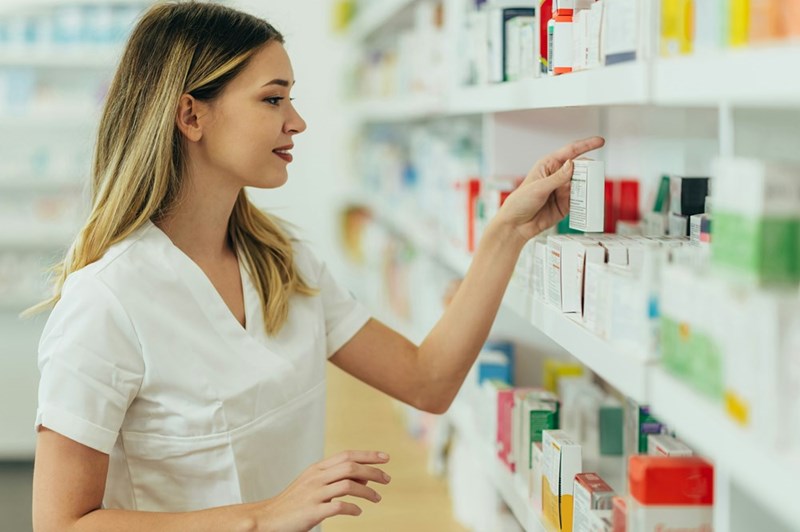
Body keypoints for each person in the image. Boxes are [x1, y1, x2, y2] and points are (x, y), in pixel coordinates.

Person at [30, 3, 604, 531]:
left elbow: (428, 381)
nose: (297, 121)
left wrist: (508, 232)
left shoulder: (283, 264)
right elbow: (62, 524)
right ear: (190, 115)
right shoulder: (107, 300)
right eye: (273, 98)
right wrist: (263, 516)